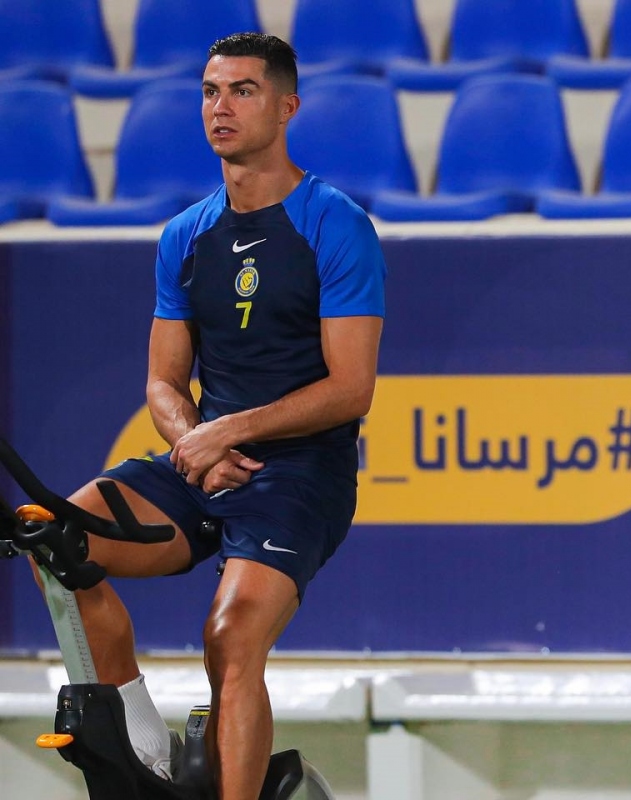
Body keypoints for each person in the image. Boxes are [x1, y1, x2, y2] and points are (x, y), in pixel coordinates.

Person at [46, 33, 387, 799]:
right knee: (60, 540)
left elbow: (351, 388)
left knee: (231, 639)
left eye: (242, 90)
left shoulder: (337, 225)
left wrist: (226, 430)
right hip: (200, 464)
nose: (220, 107)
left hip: (300, 477)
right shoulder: (183, 236)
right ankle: (145, 754)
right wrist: (190, 440)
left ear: (286, 105)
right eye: (209, 91)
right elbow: (163, 382)